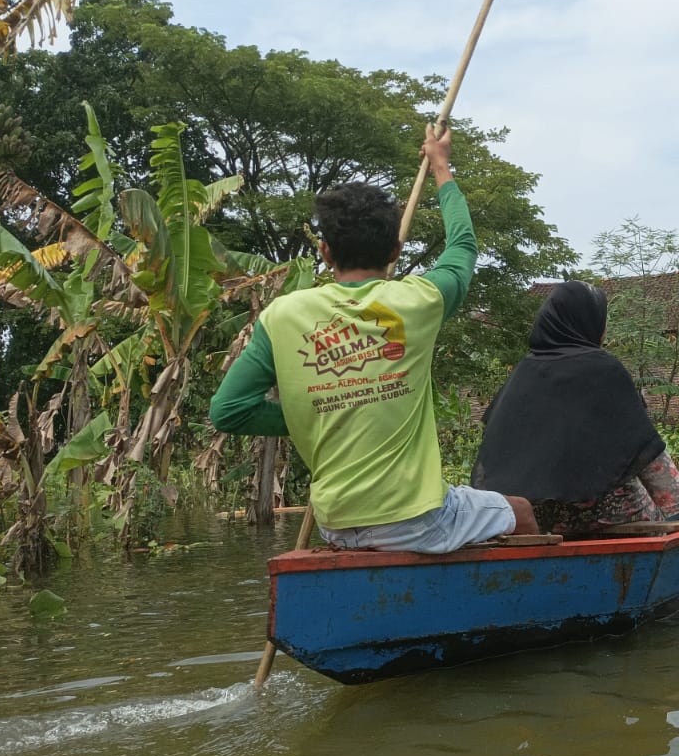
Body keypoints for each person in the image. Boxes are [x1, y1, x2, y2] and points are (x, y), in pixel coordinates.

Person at [209, 123, 538, 552]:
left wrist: (322, 410)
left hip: (336, 526)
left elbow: (227, 412)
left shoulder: (282, 315)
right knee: (523, 511)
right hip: (418, 520)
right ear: (395, 252)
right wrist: (441, 166)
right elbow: (462, 245)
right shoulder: (421, 300)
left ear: (324, 251)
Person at [471, 280, 679, 539]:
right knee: (648, 513)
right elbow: (644, 448)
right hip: (607, 514)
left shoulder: (523, 372)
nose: (604, 329)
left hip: (537, 519)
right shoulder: (603, 369)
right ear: (587, 322)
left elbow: (490, 457)